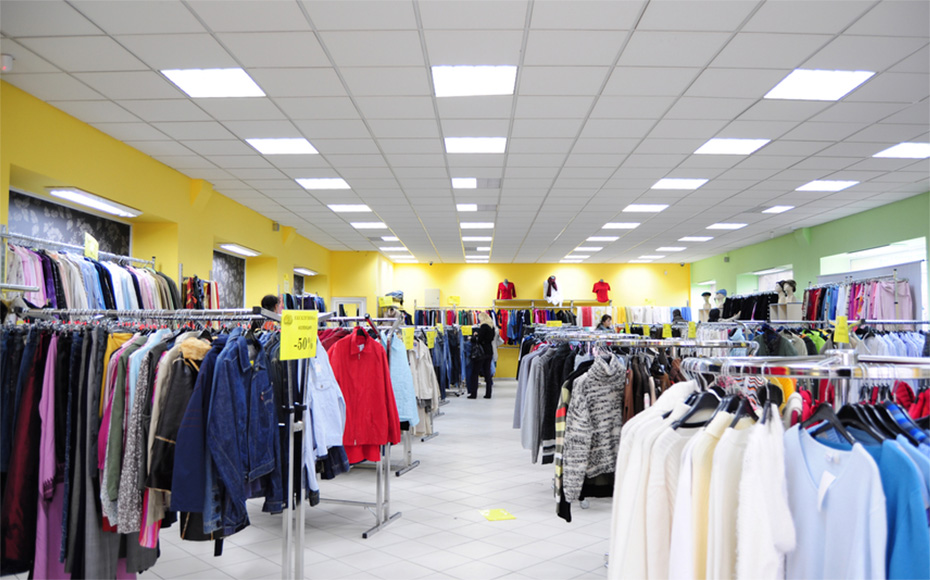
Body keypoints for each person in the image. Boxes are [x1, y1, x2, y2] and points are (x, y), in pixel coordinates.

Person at [473, 311, 496, 399]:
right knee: (487, 373)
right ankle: (488, 393)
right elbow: (490, 338)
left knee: (475, 372)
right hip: (489, 351)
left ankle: (474, 394)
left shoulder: (483, 326)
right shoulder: (492, 327)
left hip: (481, 352)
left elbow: (480, 339)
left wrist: (473, 337)